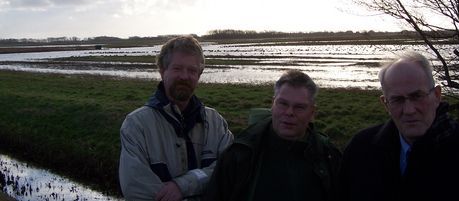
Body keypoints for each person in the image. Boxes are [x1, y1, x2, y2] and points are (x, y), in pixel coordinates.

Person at [339, 51, 459, 201]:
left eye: (417, 96)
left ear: (437, 96)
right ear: (385, 104)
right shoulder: (360, 150)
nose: (409, 110)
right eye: (397, 100)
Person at [119, 35, 233, 201]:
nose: (185, 76)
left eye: (192, 70)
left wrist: (184, 185)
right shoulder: (136, 125)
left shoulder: (216, 123)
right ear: (162, 71)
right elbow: (136, 188)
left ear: (199, 75)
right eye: (177, 69)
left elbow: (230, 170)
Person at [203, 69, 342, 201]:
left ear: (312, 112)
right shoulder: (239, 154)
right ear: (272, 104)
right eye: (282, 104)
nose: (289, 112)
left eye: (299, 107)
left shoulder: (329, 156)